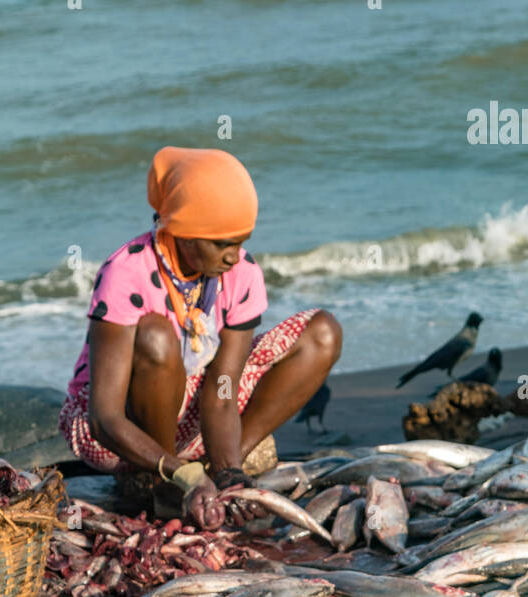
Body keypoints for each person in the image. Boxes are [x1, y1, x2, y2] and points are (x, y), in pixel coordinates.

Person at [59, 146, 342, 528]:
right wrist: (180, 473)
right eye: (222, 244)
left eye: (240, 242)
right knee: (157, 335)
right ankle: (163, 482)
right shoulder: (126, 272)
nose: (233, 256)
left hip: (195, 406)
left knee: (322, 333)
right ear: (184, 233)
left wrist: (230, 471)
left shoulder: (241, 274)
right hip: (118, 428)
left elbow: (224, 384)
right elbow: (103, 418)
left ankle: (219, 471)